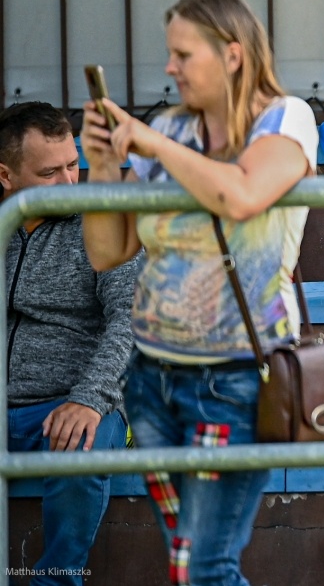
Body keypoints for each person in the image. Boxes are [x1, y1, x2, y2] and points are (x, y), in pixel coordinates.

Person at [79, 0, 318, 586]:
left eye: (183, 55)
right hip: (152, 380)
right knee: (191, 562)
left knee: (203, 566)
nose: (169, 68)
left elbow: (240, 194)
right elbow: (109, 251)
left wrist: (151, 144)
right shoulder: (169, 126)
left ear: (233, 55)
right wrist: (105, 164)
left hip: (233, 377)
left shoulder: (284, 118)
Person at [0, 103, 141, 586]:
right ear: (6, 175)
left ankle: (56, 580)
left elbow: (132, 318)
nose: (68, 183)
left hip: (78, 402)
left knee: (81, 444)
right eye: (49, 172)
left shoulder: (98, 224)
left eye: (72, 165)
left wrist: (89, 399)